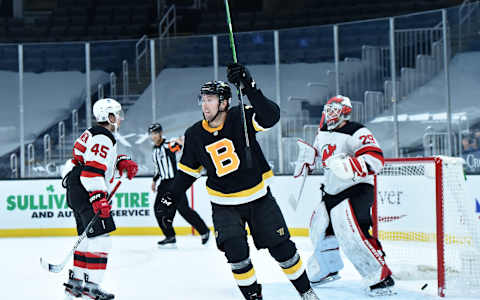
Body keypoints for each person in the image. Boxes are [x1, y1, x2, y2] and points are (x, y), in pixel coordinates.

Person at [160, 64, 320, 300]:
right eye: (202, 99)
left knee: (283, 249)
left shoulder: (240, 116)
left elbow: (271, 116)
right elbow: (186, 174)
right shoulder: (194, 134)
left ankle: (306, 291)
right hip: (223, 205)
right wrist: (169, 199)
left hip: (259, 199)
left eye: (211, 99)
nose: (204, 105)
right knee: (236, 254)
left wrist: (250, 87)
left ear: (224, 103)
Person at [294, 95, 394, 296]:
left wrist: (351, 165)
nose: (330, 113)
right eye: (329, 108)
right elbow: (320, 156)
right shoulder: (321, 133)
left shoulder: (357, 130)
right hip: (331, 191)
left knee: (354, 234)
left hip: (356, 190)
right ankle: (327, 268)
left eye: (335, 109)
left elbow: (376, 158)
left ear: (345, 112)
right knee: (318, 229)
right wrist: (309, 159)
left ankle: (380, 277)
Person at [61, 98, 138, 300]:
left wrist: (120, 161)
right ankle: (92, 288)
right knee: (101, 240)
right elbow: (92, 172)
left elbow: (88, 160)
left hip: (76, 188)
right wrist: (99, 198)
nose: (120, 118)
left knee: (87, 238)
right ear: (109, 117)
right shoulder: (104, 137)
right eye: (117, 114)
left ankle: (76, 284)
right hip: (87, 189)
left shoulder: (93, 133)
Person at [149, 122, 210, 247]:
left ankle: (204, 231)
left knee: (183, 209)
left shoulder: (168, 145)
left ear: (160, 133)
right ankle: (170, 236)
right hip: (163, 183)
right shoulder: (154, 150)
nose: (153, 136)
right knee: (159, 210)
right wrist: (154, 181)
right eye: (151, 134)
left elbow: (181, 146)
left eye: (155, 133)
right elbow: (158, 168)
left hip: (175, 182)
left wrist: (181, 141)